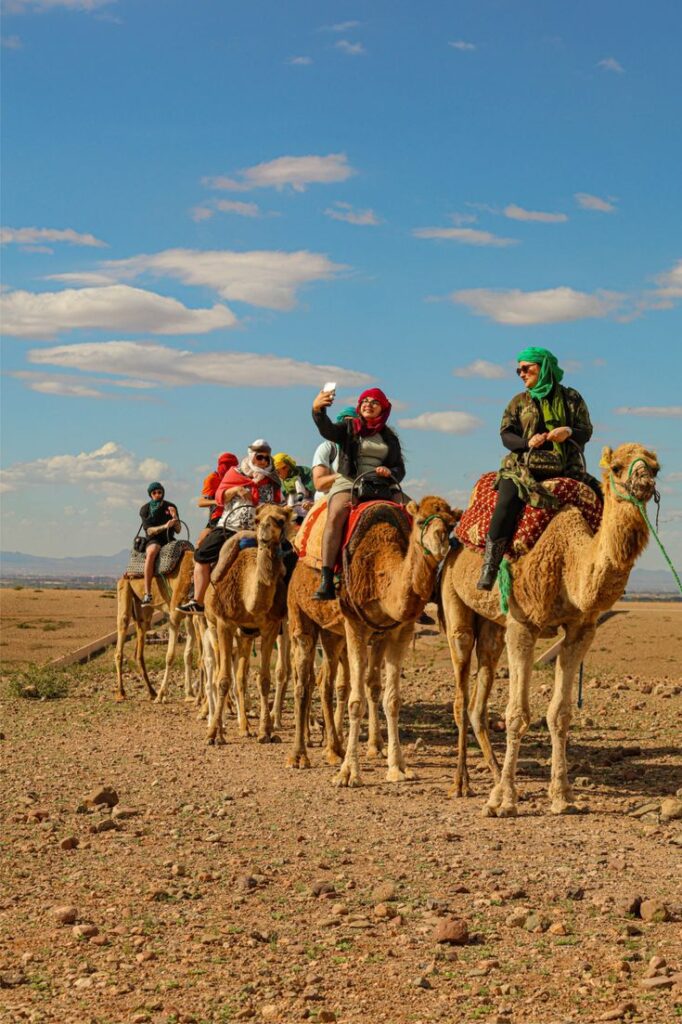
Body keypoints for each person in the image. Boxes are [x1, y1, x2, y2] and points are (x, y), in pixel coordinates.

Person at [477, 346, 594, 591]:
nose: (521, 373)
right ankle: (490, 566)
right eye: (518, 370)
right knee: (506, 503)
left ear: (543, 367)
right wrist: (527, 442)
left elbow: (585, 431)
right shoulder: (518, 402)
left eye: (526, 368)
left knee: (602, 498)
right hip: (523, 468)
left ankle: (604, 566)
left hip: (566, 467)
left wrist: (568, 431)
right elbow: (506, 435)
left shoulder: (572, 398)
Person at [311, 387, 405, 601]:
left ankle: (417, 579)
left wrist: (389, 472)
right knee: (336, 515)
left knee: (412, 514)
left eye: (374, 402)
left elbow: (399, 467)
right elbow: (327, 430)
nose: (368, 404)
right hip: (350, 480)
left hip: (381, 483)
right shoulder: (349, 427)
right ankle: (327, 578)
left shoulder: (390, 437)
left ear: (383, 408)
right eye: (365, 401)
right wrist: (318, 411)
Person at [178, 440, 282, 614]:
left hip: (261, 530)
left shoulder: (273, 479)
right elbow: (219, 496)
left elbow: (279, 502)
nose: (263, 461)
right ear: (251, 456)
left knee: (287, 557)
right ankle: (198, 600)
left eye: (267, 458)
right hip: (231, 526)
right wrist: (234, 491)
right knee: (201, 555)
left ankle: (284, 607)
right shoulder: (235, 473)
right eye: (260, 457)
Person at [138, 482, 181, 605]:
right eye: (154, 493)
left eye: (159, 492)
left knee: (187, 551)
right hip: (154, 539)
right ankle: (147, 593)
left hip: (169, 539)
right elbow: (149, 530)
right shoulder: (145, 509)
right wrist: (165, 526)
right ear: (150, 494)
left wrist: (175, 517)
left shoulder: (171, 506)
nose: (157, 494)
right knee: (152, 552)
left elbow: (178, 530)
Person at [311, 406, 356, 498]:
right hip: (329, 497)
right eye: (345, 421)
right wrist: (346, 476)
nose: (348, 426)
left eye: (353, 422)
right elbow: (319, 484)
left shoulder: (366, 447)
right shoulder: (328, 448)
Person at [196, 451, 239, 545]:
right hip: (218, 518)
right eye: (226, 465)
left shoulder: (239, 478)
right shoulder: (212, 479)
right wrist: (216, 501)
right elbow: (201, 502)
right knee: (200, 542)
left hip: (236, 517)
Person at [273, 452, 314, 523]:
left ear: (286, 467)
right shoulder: (281, 482)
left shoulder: (304, 473)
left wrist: (312, 504)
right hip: (293, 517)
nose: (277, 474)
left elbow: (318, 493)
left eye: (278, 472)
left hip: (310, 514)